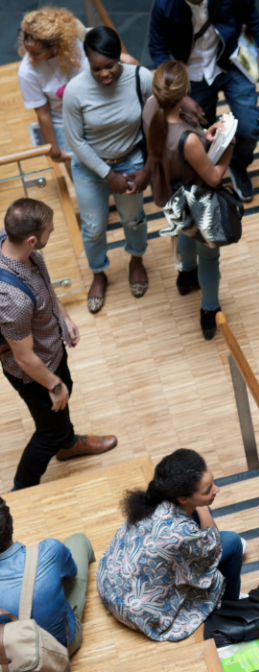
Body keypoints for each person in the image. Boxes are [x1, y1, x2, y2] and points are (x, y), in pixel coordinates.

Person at [0, 198, 116, 492]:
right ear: (31, 239)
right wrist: (53, 385)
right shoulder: (11, 300)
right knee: (49, 432)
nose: (53, 233)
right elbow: (24, 358)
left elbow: (44, 287)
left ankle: (67, 444)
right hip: (34, 373)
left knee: (68, 391)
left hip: (52, 352)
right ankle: (21, 492)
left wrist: (64, 317)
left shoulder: (18, 248)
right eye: (50, 231)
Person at [97, 448, 244, 641]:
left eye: (213, 482)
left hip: (111, 583)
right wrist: (204, 507)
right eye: (208, 489)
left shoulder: (156, 500)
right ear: (182, 498)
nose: (216, 489)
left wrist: (199, 503)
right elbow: (213, 544)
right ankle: (229, 609)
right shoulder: (180, 532)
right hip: (140, 611)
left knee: (197, 512)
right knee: (233, 544)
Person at [62, 27, 151, 314]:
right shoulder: (75, 90)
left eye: (110, 66)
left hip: (131, 162)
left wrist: (149, 167)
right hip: (90, 168)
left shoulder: (142, 78)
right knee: (93, 227)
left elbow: (160, 121)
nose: (104, 74)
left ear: (119, 58)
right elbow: (75, 141)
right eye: (96, 68)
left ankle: (136, 261)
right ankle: (98, 273)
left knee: (133, 218)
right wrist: (107, 174)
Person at [144, 60, 234, 340]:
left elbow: (176, 149)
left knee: (185, 228)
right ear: (184, 93)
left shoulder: (149, 109)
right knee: (210, 256)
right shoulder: (188, 140)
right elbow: (214, 178)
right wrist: (228, 144)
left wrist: (203, 138)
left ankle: (186, 275)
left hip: (174, 196)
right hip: (197, 199)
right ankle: (209, 310)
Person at [149, 0, 259, 202]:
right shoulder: (164, 5)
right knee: (201, 133)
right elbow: (157, 47)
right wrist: (180, 96)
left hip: (229, 61)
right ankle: (208, 174)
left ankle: (238, 166)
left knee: (249, 126)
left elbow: (250, 11)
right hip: (191, 76)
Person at [17, 8, 138, 167]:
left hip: (103, 114)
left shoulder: (77, 39)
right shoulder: (27, 72)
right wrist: (53, 150)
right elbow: (43, 113)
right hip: (68, 126)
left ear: (55, 45)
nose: (29, 56)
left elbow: (124, 61)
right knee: (84, 172)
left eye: (36, 53)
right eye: (27, 49)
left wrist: (123, 60)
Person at [0, 497, 94, 656]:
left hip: (16, 663)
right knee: (78, 540)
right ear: (10, 522)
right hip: (60, 651)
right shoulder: (50, 550)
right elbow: (72, 572)